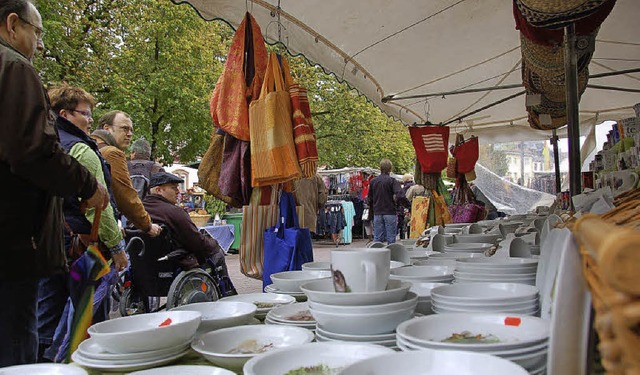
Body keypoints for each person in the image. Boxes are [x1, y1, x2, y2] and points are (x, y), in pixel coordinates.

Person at [0, 1, 109, 366]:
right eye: (38, 31)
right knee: (16, 345)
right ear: (13, 24)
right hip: (13, 240)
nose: (41, 44)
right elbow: (35, 153)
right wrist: (89, 187)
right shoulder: (14, 67)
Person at [37, 84, 128, 362]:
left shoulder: (44, 144)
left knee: (48, 315)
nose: (90, 120)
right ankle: (81, 365)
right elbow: (97, 206)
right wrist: (116, 248)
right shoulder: (81, 149)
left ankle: (39, 365)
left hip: (50, 243)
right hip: (81, 251)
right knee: (86, 317)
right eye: (85, 114)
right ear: (65, 113)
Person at [142, 172, 236, 293]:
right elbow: (196, 242)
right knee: (216, 252)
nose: (178, 191)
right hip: (174, 265)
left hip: (145, 270)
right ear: (159, 190)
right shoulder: (174, 212)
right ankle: (226, 291)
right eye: (173, 188)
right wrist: (213, 244)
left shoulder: (138, 213)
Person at [91, 111, 161, 237]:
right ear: (107, 128)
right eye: (125, 129)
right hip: (99, 228)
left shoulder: (88, 146)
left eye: (131, 130)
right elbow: (125, 196)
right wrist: (148, 225)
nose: (130, 134)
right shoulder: (112, 153)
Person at [367, 159, 403, 244]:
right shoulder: (393, 181)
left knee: (377, 238)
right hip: (390, 211)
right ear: (390, 169)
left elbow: (369, 198)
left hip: (377, 212)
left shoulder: (373, 181)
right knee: (391, 238)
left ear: (380, 168)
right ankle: (391, 256)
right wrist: (400, 205)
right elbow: (400, 195)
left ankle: (378, 255)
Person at [396, 173, 414, 240]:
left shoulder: (405, 188)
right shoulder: (414, 186)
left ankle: (402, 237)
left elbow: (400, 197)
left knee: (403, 224)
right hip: (413, 207)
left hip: (404, 208)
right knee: (410, 223)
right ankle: (410, 237)